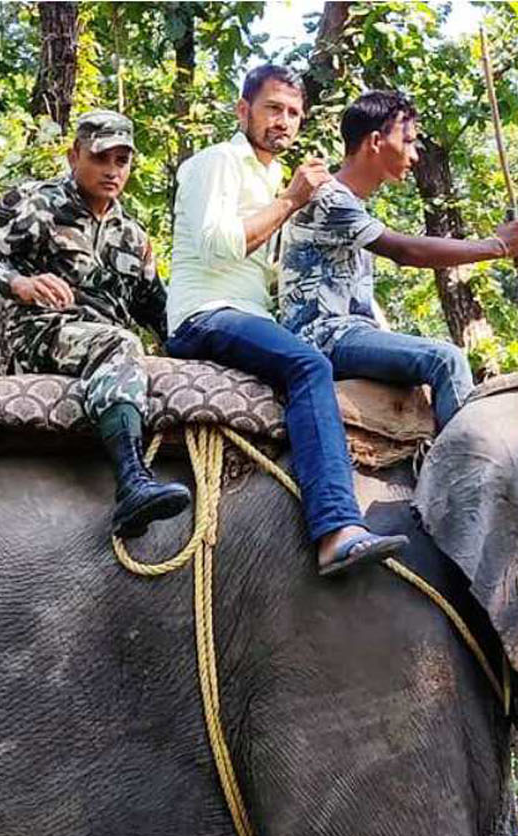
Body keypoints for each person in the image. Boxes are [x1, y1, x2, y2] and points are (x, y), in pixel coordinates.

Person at [167, 64, 406, 577]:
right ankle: (336, 529)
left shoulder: (272, 176)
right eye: (273, 108)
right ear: (243, 111)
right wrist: (292, 200)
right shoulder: (216, 162)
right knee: (308, 366)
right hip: (206, 314)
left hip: (253, 315)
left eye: (294, 113)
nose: (284, 121)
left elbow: (280, 272)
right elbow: (218, 248)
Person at [0, 110, 191, 539]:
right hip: (44, 332)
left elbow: (158, 310)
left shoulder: (133, 235)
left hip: (109, 343)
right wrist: (17, 283)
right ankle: (133, 479)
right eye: (101, 158)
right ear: (75, 154)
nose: (113, 171)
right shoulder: (34, 204)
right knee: (121, 343)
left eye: (122, 161)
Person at [279, 90, 518, 429]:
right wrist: (497, 246)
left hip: (347, 333)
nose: (414, 156)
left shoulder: (352, 203)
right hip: (324, 337)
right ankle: (468, 474)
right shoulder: (330, 198)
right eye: (408, 141)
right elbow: (405, 251)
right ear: (374, 141)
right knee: (446, 360)